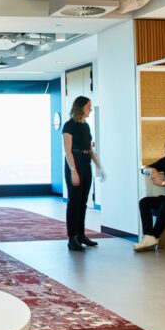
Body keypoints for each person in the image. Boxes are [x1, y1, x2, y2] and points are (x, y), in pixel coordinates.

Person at [62, 96, 105, 252]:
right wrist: (74, 171)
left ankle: (81, 235)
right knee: (74, 202)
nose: (90, 109)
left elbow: (90, 148)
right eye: (88, 107)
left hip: (86, 163)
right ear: (80, 108)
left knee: (83, 202)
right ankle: (71, 238)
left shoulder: (86, 126)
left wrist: (99, 166)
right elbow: (68, 151)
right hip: (75, 162)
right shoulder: (69, 125)